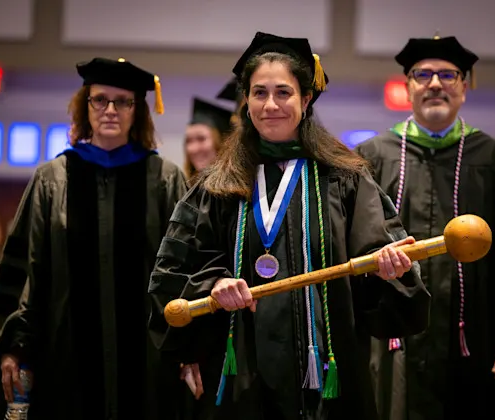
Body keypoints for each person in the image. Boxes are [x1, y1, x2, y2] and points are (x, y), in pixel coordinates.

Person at [148, 31, 431, 420]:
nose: (271, 105)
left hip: (327, 378)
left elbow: (384, 258)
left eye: (283, 92)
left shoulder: (345, 180)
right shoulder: (215, 186)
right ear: (245, 100)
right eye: (259, 92)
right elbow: (170, 272)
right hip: (240, 377)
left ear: (306, 99)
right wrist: (212, 283)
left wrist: (390, 268)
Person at [355, 35, 495, 420]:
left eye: (448, 75)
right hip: (392, 346)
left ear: (464, 87)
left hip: (475, 343)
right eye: (423, 74)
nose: (435, 83)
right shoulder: (372, 157)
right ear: (408, 86)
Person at [0, 57, 188, 420]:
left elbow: (185, 269)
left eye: (123, 101)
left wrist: (188, 348)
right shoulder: (52, 179)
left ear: (137, 110)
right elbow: (24, 267)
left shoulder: (164, 179)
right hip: (64, 355)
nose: (110, 110)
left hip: (145, 359)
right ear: (86, 104)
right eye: (100, 99)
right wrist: (13, 346)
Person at [184, 98, 233, 183]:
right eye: (188, 141)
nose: (194, 149)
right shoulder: (184, 188)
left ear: (221, 142)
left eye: (201, 139)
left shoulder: (237, 190)